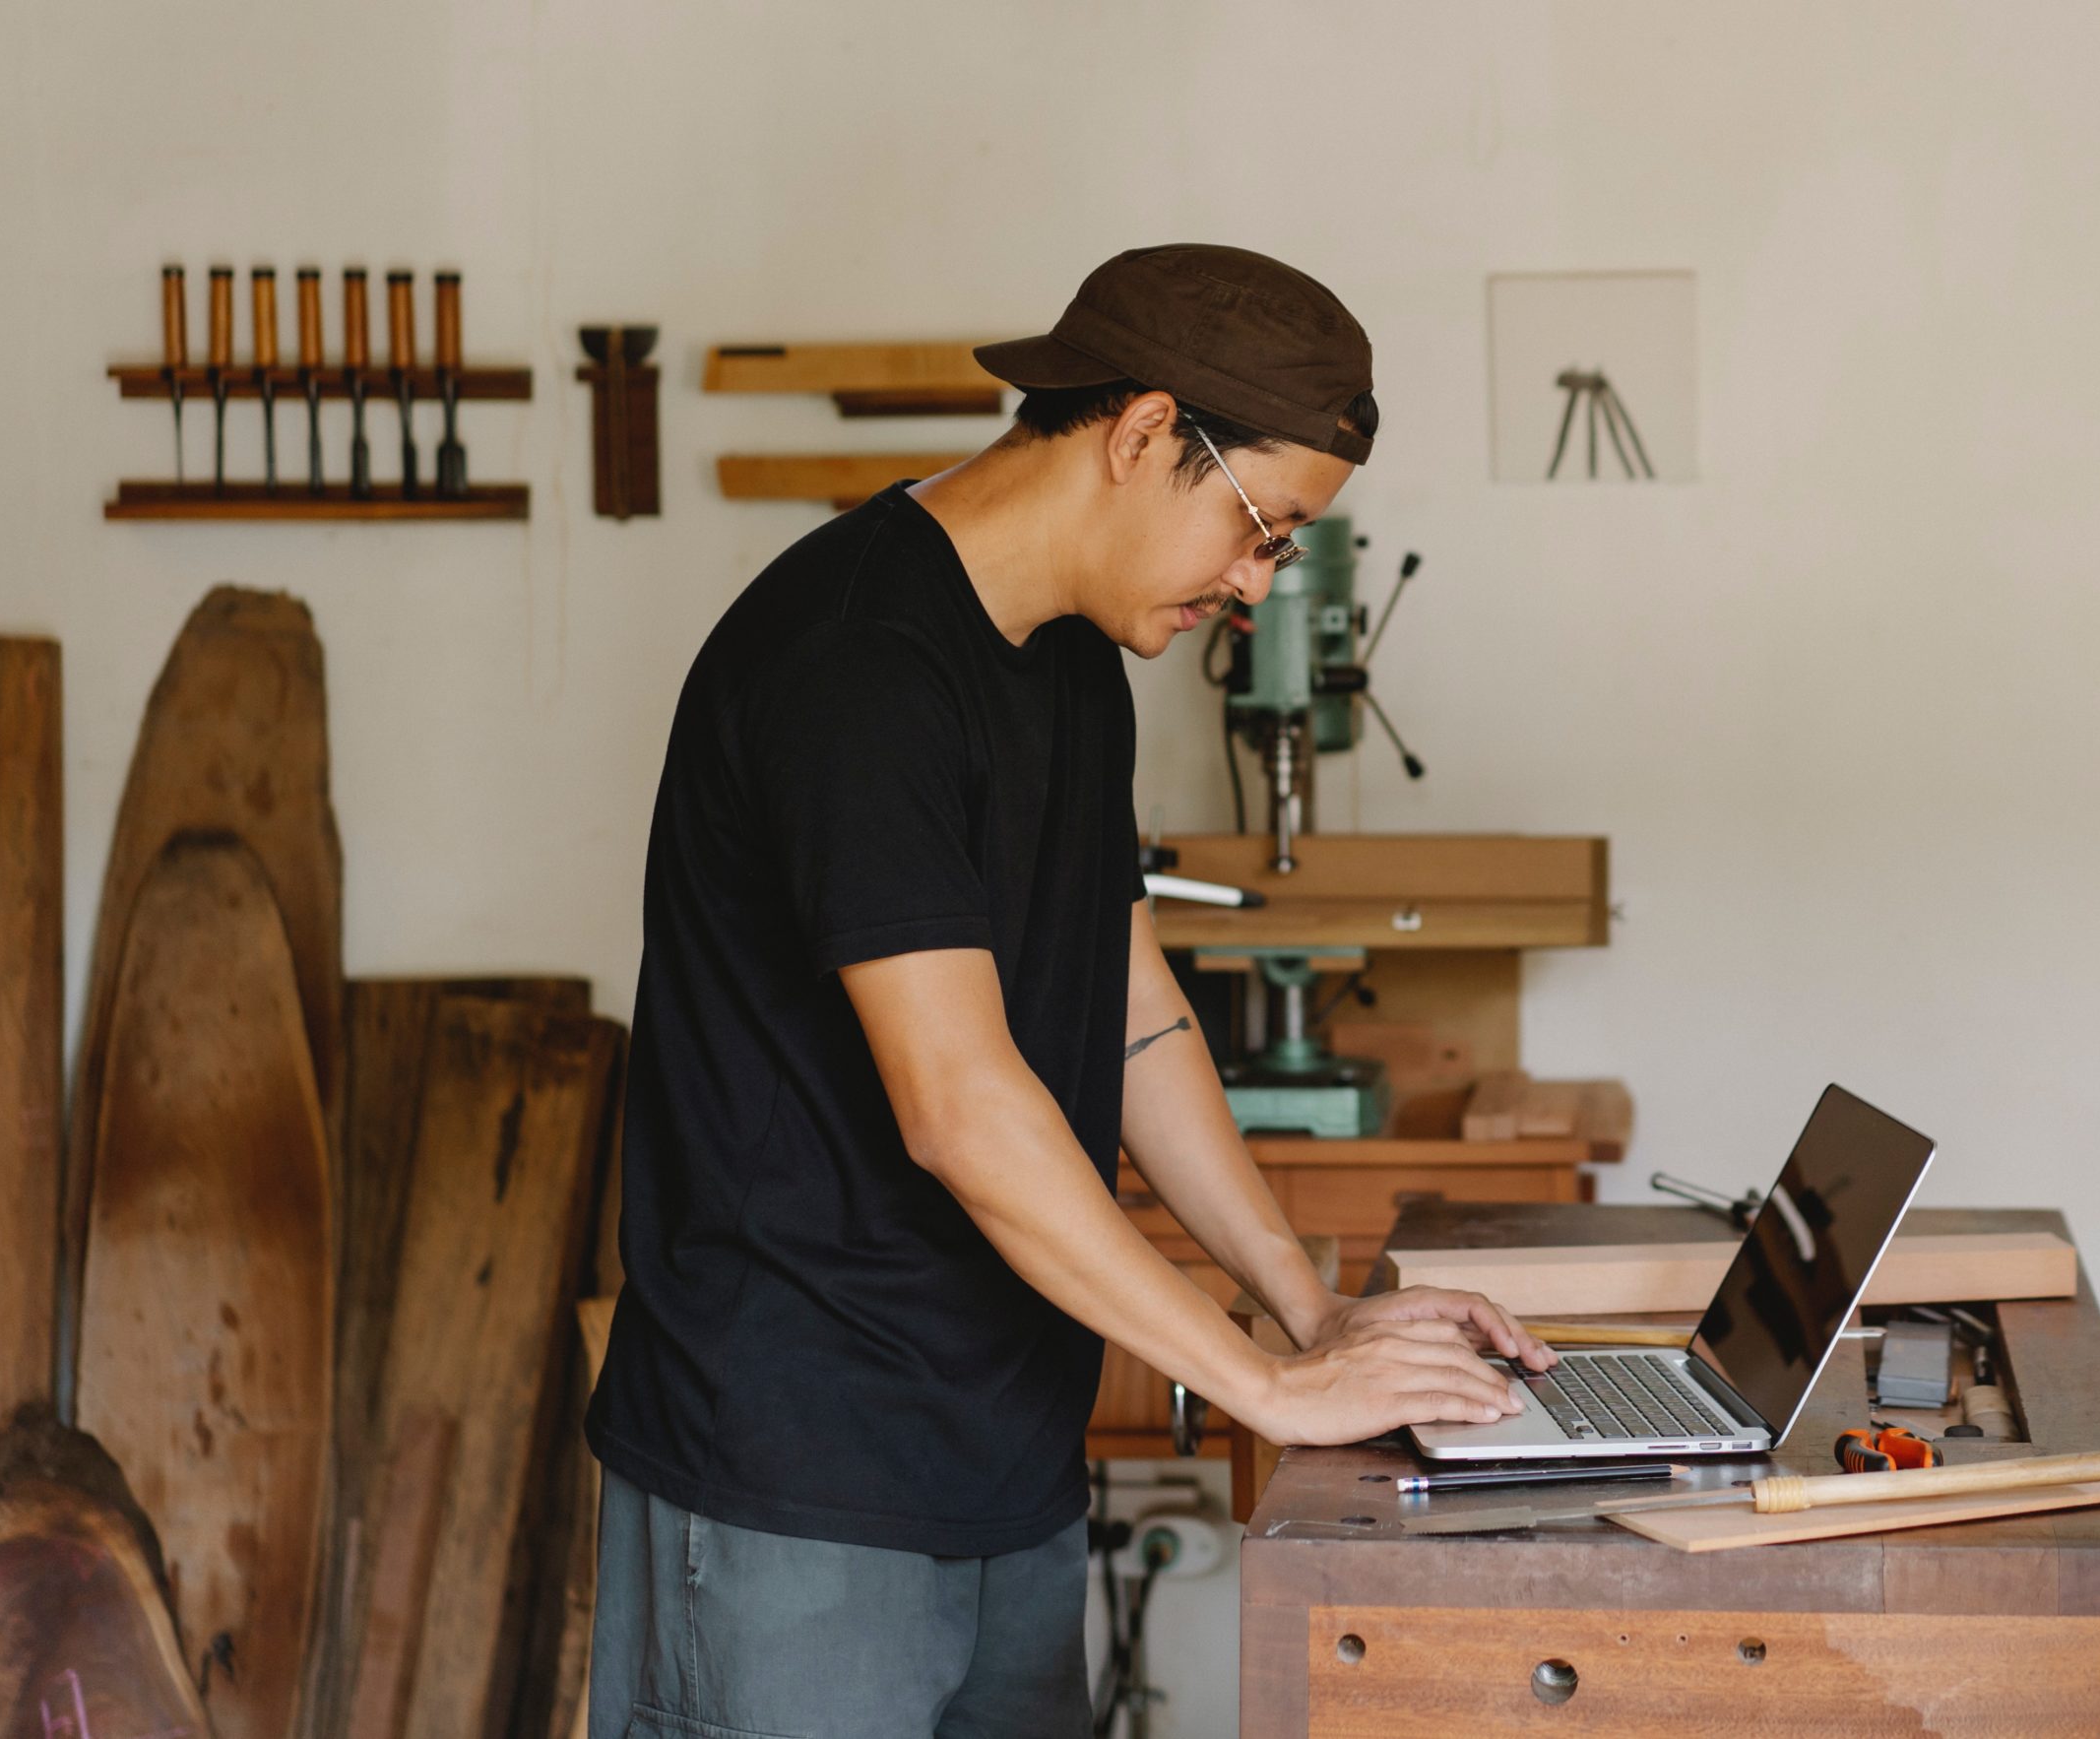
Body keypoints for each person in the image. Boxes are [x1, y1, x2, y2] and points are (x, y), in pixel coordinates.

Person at [583, 244, 1558, 1739]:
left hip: (1002, 1457)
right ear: (1143, 433)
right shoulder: (856, 663)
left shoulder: (1068, 662)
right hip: (797, 1481)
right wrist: (1262, 1390)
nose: (1254, 583)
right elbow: (961, 1109)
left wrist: (1307, 1312)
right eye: (1260, 529)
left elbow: (1128, 1000)